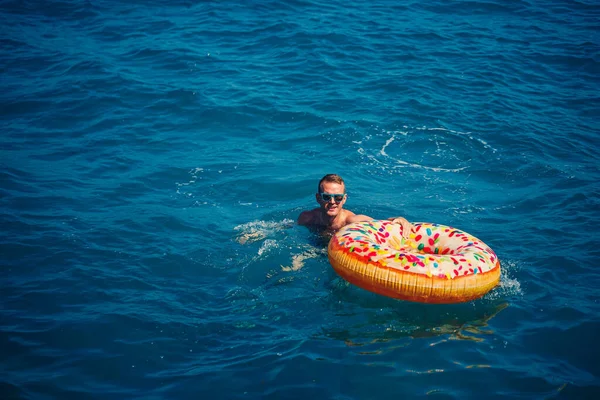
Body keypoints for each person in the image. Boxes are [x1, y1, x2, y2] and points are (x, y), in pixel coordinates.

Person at [298, 174, 413, 236]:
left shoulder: (351, 221)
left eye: (338, 197)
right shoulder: (308, 218)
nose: (332, 202)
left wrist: (400, 219)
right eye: (327, 197)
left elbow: (382, 225)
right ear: (318, 198)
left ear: (344, 199)